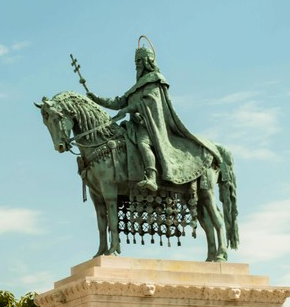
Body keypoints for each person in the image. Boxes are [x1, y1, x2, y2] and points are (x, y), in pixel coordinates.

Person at [86, 41, 220, 193]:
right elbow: (119, 102)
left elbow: (149, 103)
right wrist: (96, 98)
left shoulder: (155, 80)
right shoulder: (136, 86)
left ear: (146, 61)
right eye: (135, 62)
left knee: (143, 144)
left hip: (150, 126)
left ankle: (151, 176)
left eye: (139, 61)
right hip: (133, 126)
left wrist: (128, 109)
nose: (136, 65)